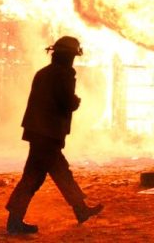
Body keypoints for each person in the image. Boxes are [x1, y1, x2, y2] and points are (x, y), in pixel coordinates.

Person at [5, 35, 103, 234]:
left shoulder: (44, 73)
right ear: (69, 56)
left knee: (61, 172)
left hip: (39, 131)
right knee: (33, 178)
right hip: (48, 133)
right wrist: (75, 102)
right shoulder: (65, 74)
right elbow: (65, 102)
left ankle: (81, 209)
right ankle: (14, 221)